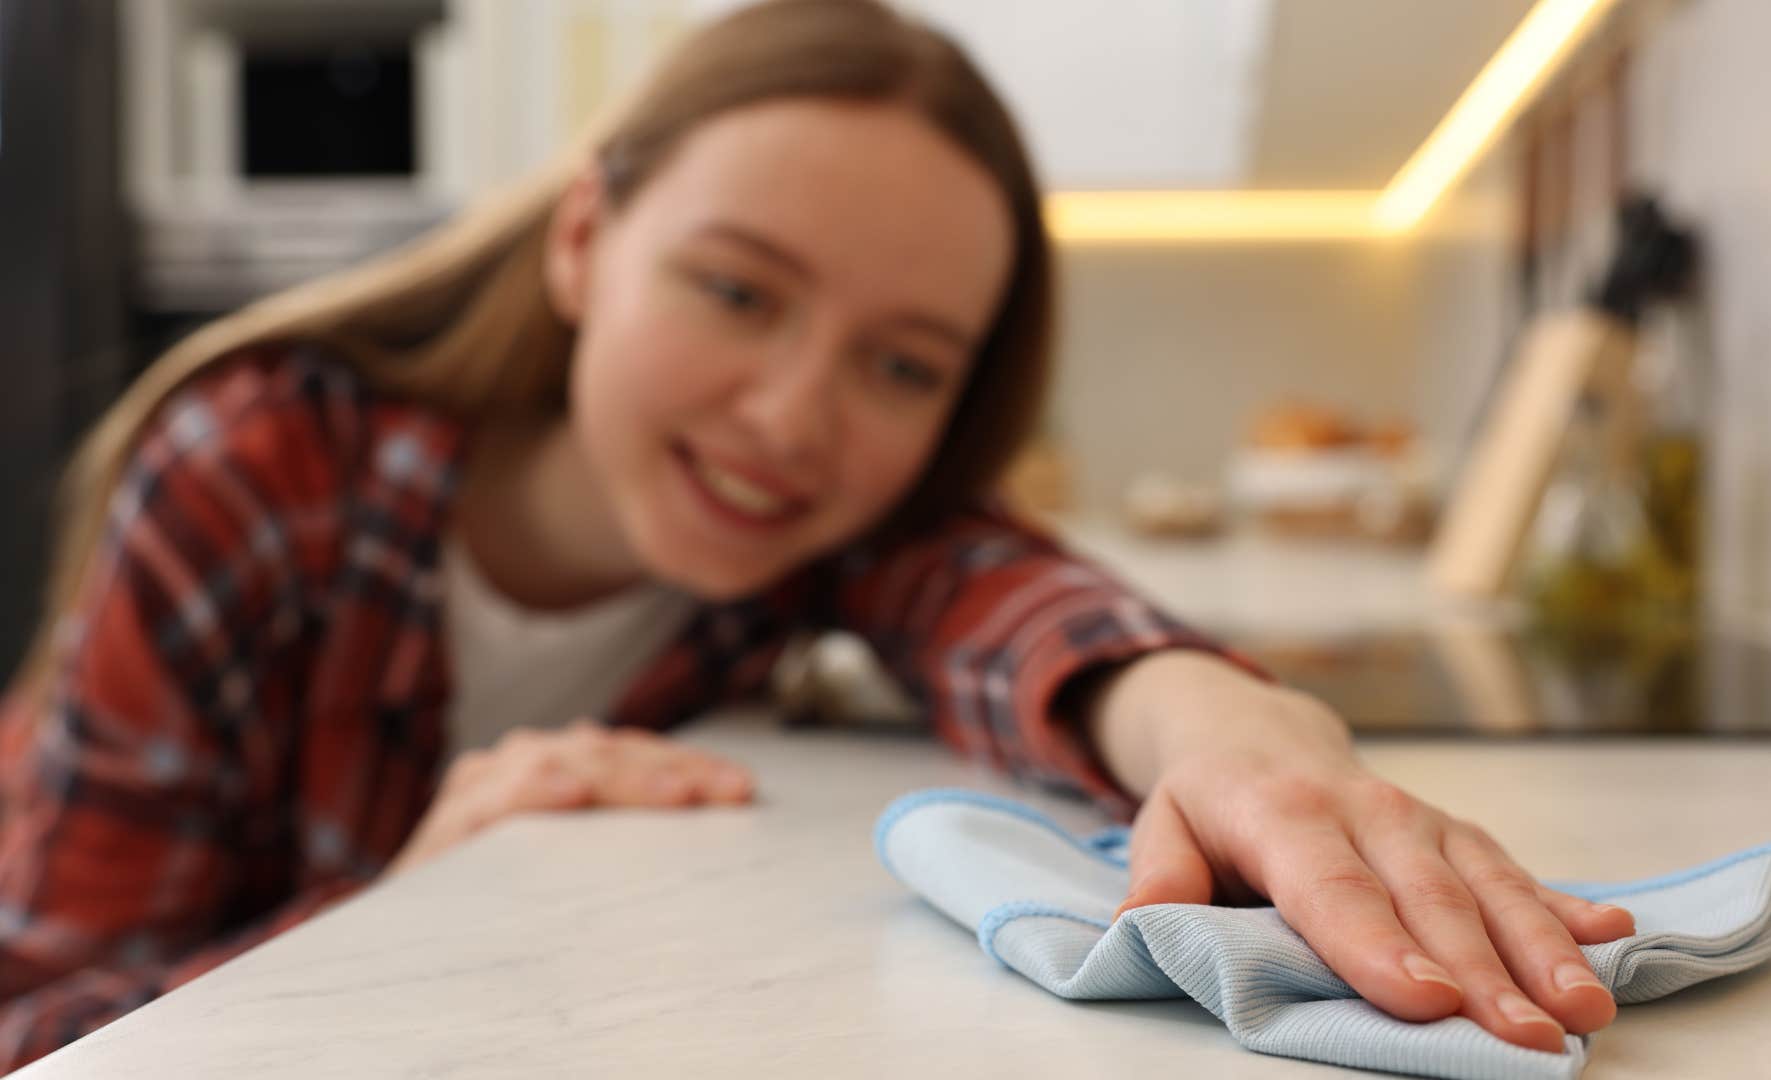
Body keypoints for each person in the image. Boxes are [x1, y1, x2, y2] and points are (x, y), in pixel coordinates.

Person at [0, 0, 1631, 1069]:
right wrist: (386, 900)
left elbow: (1006, 599)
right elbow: (47, 1021)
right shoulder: (253, 466)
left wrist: (1248, 737)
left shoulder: (814, 534)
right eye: (733, 289)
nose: (794, 417)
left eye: (902, 364)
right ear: (586, 239)